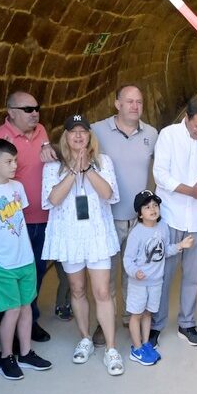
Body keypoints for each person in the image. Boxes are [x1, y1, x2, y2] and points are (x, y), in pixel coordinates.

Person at [41, 115, 124, 375]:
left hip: (97, 234)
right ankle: (85, 337)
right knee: (76, 290)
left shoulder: (103, 162)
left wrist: (87, 169)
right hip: (70, 236)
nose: (78, 136)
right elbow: (52, 199)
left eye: (83, 132)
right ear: (64, 137)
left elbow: (109, 194)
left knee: (101, 292)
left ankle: (111, 348)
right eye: (72, 132)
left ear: (90, 136)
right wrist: (73, 171)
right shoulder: (53, 167)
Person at [0, 140, 52, 380]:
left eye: (15, 160)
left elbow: (19, 221)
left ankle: (25, 352)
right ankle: (5, 357)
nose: (14, 165)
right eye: (8, 161)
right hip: (2, 264)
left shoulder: (17, 187)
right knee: (12, 309)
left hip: (24, 260)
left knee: (27, 306)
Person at [151, 98, 197, 347]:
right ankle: (155, 325)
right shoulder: (168, 135)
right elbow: (160, 174)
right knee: (163, 274)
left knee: (192, 276)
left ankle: (187, 323)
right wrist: (189, 190)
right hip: (171, 215)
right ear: (187, 117)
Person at [0, 91, 58, 343]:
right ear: (12, 112)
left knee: (36, 273)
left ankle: (31, 321)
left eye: (37, 107)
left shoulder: (41, 132)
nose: (35, 113)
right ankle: (13, 327)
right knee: (16, 275)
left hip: (44, 217)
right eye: (28, 109)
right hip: (16, 223)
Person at [91, 84, 159, 345]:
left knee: (136, 273)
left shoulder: (151, 134)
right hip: (107, 217)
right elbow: (70, 147)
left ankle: (131, 319)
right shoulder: (96, 130)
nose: (135, 106)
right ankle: (103, 322)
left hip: (139, 220)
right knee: (105, 275)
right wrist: (46, 147)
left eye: (139, 102)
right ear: (116, 103)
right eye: (129, 101)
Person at [123, 190, 193, 365]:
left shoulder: (162, 228)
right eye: (147, 207)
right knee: (136, 315)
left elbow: (165, 250)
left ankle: (146, 343)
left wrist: (180, 246)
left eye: (155, 205)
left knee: (148, 314)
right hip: (139, 284)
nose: (153, 209)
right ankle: (137, 348)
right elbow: (128, 259)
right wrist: (134, 272)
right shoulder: (136, 233)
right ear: (140, 213)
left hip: (156, 282)